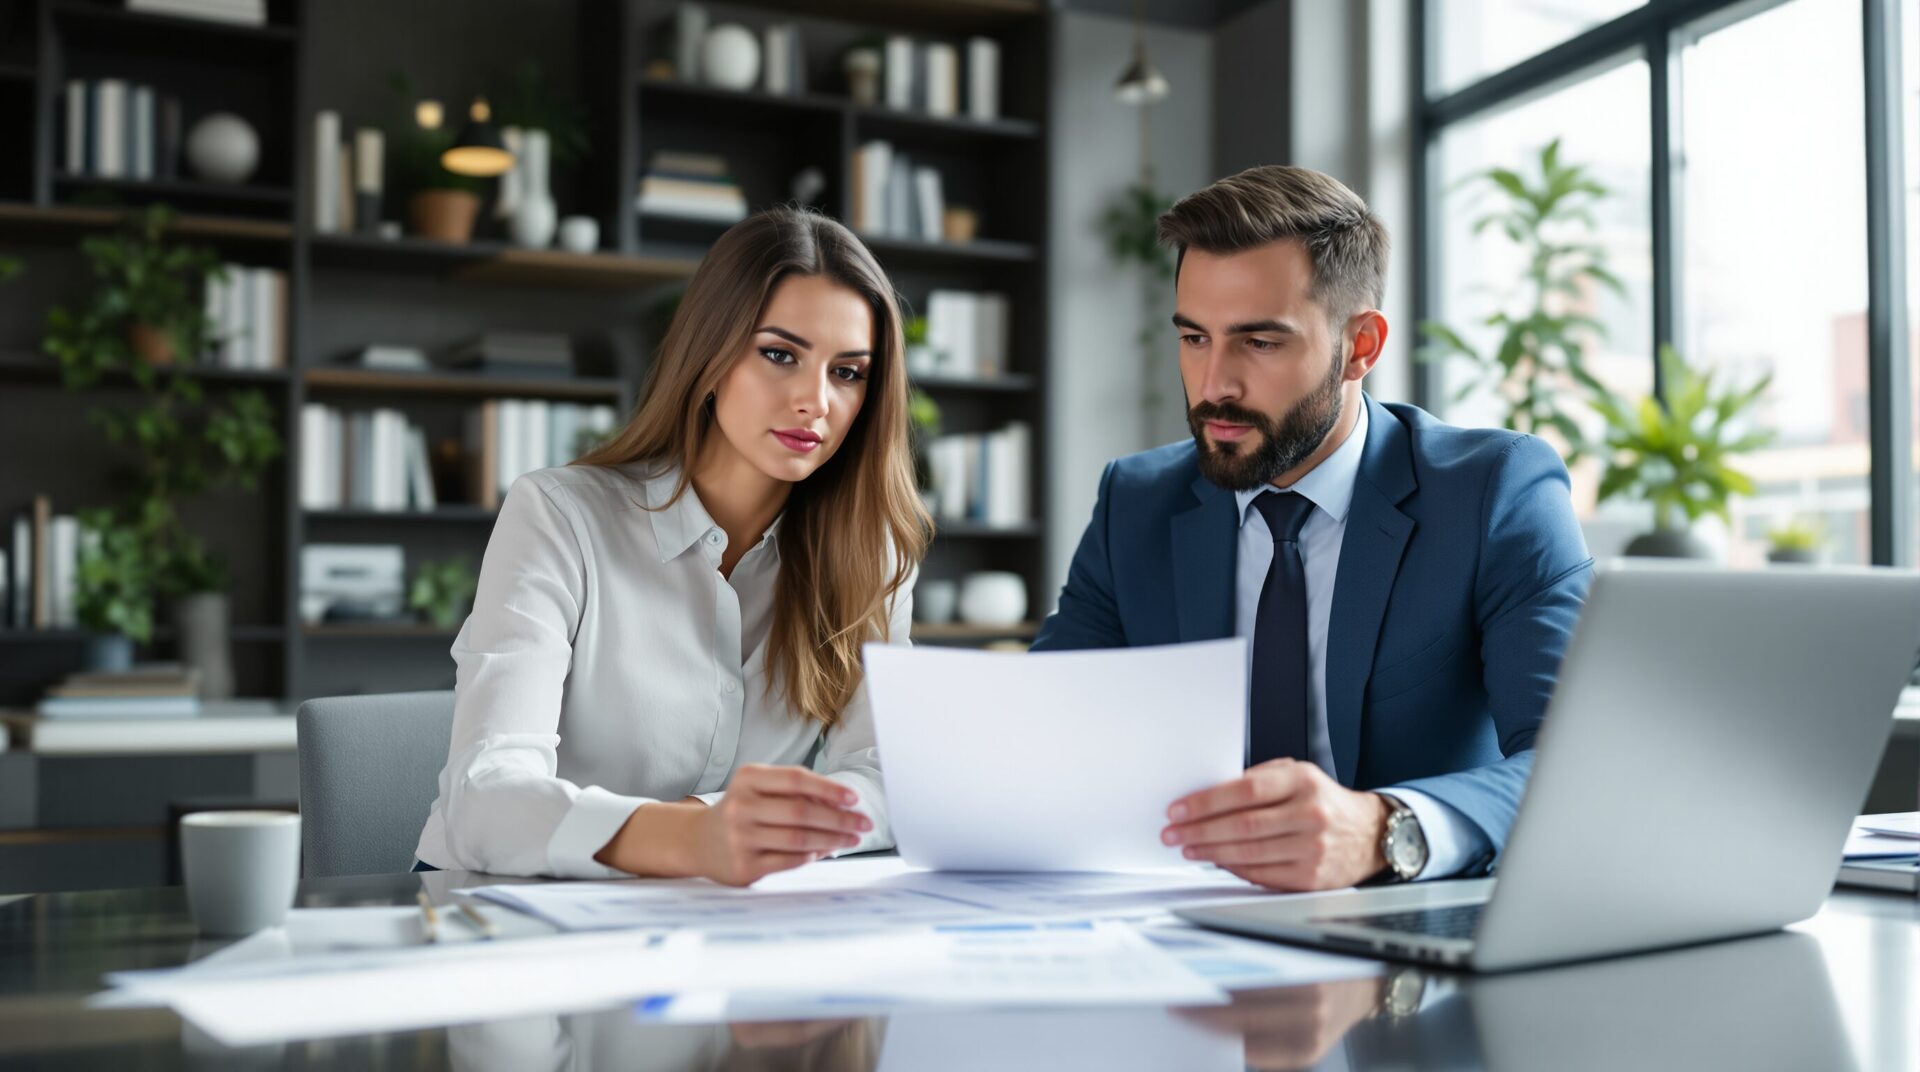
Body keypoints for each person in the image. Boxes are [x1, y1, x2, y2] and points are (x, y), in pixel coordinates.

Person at [1032, 165, 1592, 891]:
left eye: (1259, 343)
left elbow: (1574, 767)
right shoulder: (1136, 503)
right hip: (1178, 925)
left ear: (1360, 346)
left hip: (1406, 936)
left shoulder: (1492, 493)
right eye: (1195, 338)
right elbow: (1041, 738)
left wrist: (1388, 829)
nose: (1213, 386)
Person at [413, 207, 926, 885]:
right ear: (711, 356)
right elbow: (485, 801)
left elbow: (890, 776)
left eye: (849, 372)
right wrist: (695, 835)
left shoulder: (873, 555)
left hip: (714, 916)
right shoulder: (559, 516)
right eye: (780, 355)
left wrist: (725, 825)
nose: (816, 400)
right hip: (506, 908)